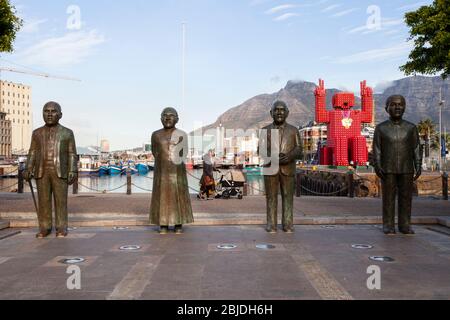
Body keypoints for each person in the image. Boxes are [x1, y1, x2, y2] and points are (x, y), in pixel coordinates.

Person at [23, 102, 78, 238]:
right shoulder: (36, 133)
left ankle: (61, 227)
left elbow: (72, 153)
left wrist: (73, 170)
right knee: (43, 201)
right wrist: (29, 167)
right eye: (46, 111)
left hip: (60, 171)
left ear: (60, 115)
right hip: (41, 171)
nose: (49, 114)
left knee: (61, 201)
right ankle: (45, 227)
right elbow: (32, 152)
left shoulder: (67, 133)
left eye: (53, 111)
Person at [373, 95, 422, 235]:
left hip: (406, 167)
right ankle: (388, 225)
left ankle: (405, 224)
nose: (397, 107)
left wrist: (418, 164)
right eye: (393, 104)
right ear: (387, 108)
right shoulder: (381, 128)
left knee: (406, 197)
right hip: (387, 168)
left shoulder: (411, 128)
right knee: (388, 198)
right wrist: (377, 165)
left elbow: (416, 148)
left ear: (405, 107)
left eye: (400, 104)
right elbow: (377, 148)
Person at [259, 100, 302, 233]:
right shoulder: (265, 130)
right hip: (270, 168)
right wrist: (273, 157)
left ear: (287, 113)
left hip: (288, 169)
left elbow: (299, 150)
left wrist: (289, 156)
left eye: (282, 110)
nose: (279, 112)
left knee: (288, 197)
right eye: (276, 110)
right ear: (271, 113)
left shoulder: (294, 130)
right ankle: (271, 225)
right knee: (271, 197)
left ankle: (288, 224)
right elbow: (260, 150)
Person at [150, 108, 194, 234]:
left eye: (171, 115)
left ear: (177, 119)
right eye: (165, 115)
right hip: (161, 170)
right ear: (160, 118)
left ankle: (178, 223)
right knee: (161, 195)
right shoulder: (156, 135)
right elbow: (155, 152)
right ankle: (162, 223)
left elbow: (184, 152)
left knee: (178, 196)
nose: (168, 118)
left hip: (177, 171)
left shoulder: (182, 135)